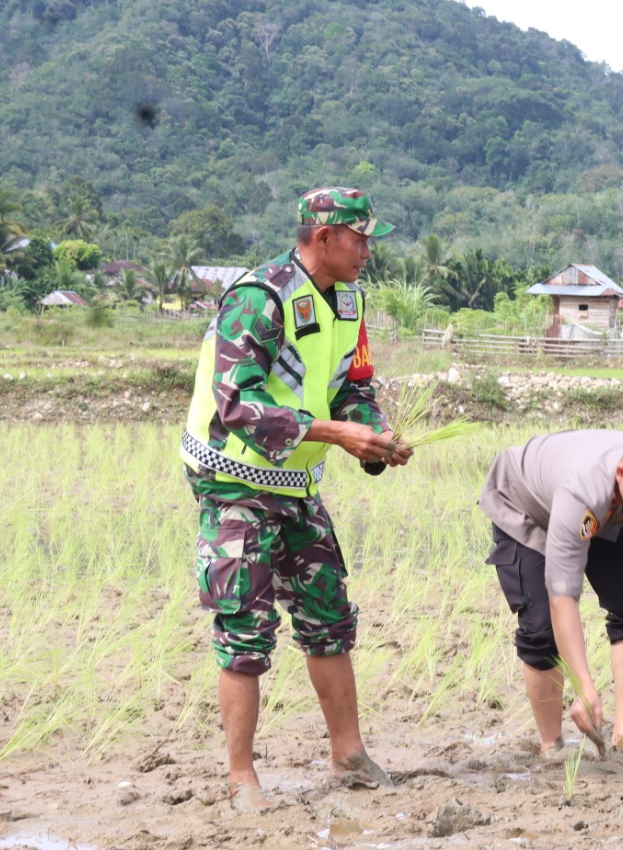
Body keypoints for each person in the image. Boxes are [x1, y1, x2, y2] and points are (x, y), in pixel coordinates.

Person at [179, 187, 412, 811]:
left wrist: (372, 435)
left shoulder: (350, 301)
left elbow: (353, 387)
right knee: (245, 626)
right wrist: (337, 434)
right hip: (233, 475)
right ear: (323, 237)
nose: (368, 251)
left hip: (295, 480)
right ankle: (241, 778)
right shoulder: (260, 298)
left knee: (329, 615)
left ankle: (348, 755)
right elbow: (235, 406)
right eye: (360, 239)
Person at [479, 428, 623, 762]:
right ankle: (551, 745)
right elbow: (562, 597)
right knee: (541, 628)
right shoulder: (582, 490)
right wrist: (583, 685)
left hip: (604, 511)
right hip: (526, 505)